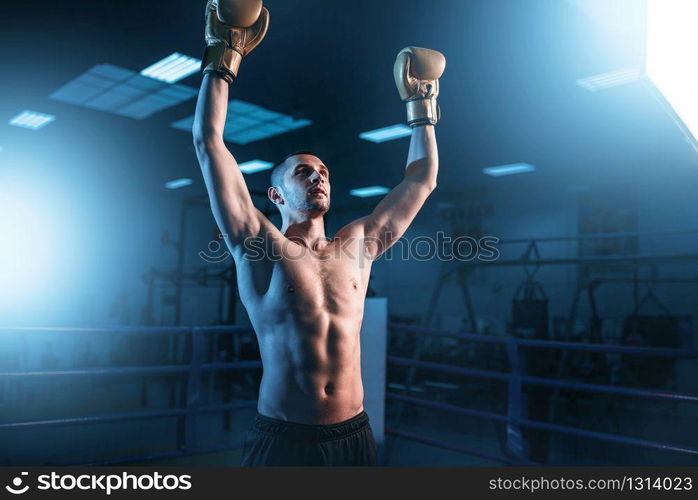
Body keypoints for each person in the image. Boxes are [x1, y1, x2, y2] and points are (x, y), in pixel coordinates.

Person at [192, 0, 445, 466]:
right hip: (285, 439)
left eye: (324, 171)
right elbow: (210, 143)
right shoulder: (258, 244)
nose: (318, 176)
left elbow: (421, 178)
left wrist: (422, 106)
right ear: (276, 194)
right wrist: (223, 56)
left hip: (354, 435)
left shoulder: (357, 245)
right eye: (304, 171)